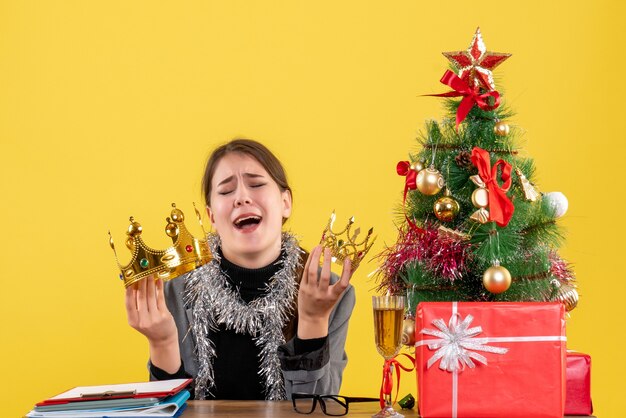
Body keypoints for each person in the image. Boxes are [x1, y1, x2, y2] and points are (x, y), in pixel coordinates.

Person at [124, 139, 355, 400]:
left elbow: (317, 410)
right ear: (212, 217)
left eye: (256, 184)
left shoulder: (330, 293)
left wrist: (314, 321)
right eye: (225, 191)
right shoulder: (175, 294)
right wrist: (162, 343)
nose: (242, 197)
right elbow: (167, 410)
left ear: (285, 202)